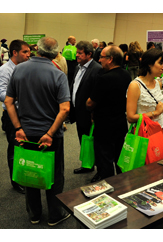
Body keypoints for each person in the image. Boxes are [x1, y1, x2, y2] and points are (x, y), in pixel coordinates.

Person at [4, 36, 71, 226]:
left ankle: (34, 214)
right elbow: (64, 109)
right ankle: (55, 215)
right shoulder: (58, 74)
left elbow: (8, 102)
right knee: (54, 175)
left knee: (30, 171)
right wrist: (49, 134)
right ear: (56, 53)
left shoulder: (19, 69)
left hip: (25, 133)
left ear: (36, 50)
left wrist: (18, 128)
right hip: (50, 135)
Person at [86, 45, 131, 181]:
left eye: (102, 57)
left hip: (104, 125)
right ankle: (122, 185)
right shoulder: (126, 75)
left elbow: (90, 103)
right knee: (119, 157)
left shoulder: (104, 78)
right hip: (120, 123)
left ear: (110, 59)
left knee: (104, 159)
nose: (99, 60)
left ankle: (109, 186)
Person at [0, 39, 30, 194]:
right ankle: (16, 182)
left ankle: (25, 176)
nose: (29, 55)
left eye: (29, 52)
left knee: (26, 147)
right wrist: (22, 95)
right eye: (25, 52)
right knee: (15, 150)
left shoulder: (25, 68)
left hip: (27, 114)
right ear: (14, 53)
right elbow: (1, 95)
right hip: (11, 115)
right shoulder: (4, 71)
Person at [70, 41, 103, 175]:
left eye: (80, 53)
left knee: (94, 141)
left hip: (89, 114)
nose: (77, 55)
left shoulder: (97, 69)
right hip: (79, 112)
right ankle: (87, 164)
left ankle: (99, 169)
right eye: (77, 53)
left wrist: (93, 114)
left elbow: (98, 94)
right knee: (83, 139)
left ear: (89, 54)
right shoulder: (78, 67)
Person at [126, 48, 163, 143]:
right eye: (160, 63)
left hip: (162, 131)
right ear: (150, 64)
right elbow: (130, 117)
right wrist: (155, 113)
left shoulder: (158, 83)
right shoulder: (135, 86)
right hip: (145, 134)